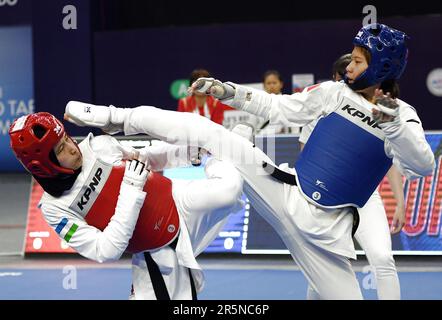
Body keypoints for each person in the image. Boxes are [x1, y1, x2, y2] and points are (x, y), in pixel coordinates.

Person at [64, 23, 435, 299]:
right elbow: (275, 105)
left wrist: (393, 125)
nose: (349, 67)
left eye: (356, 61)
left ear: (381, 67)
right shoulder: (333, 93)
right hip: (283, 191)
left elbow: (423, 166)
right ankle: (113, 116)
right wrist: (226, 91)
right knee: (203, 129)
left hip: (326, 241)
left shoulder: (403, 116)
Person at [9, 112, 244, 300]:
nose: (72, 147)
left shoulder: (96, 146)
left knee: (229, 190)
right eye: (60, 149)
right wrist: (130, 188)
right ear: (41, 165)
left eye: (66, 138)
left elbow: (145, 158)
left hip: (179, 201)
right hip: (154, 252)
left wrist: (191, 151)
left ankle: (230, 146)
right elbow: (106, 250)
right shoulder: (55, 209)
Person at [299, 53, 405, 300]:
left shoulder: (381, 108)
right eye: (345, 75)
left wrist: (400, 202)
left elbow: (387, 158)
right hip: (328, 201)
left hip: (365, 198)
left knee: (382, 258)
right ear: (336, 79)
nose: (349, 80)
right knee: (326, 269)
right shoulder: (321, 105)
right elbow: (306, 158)